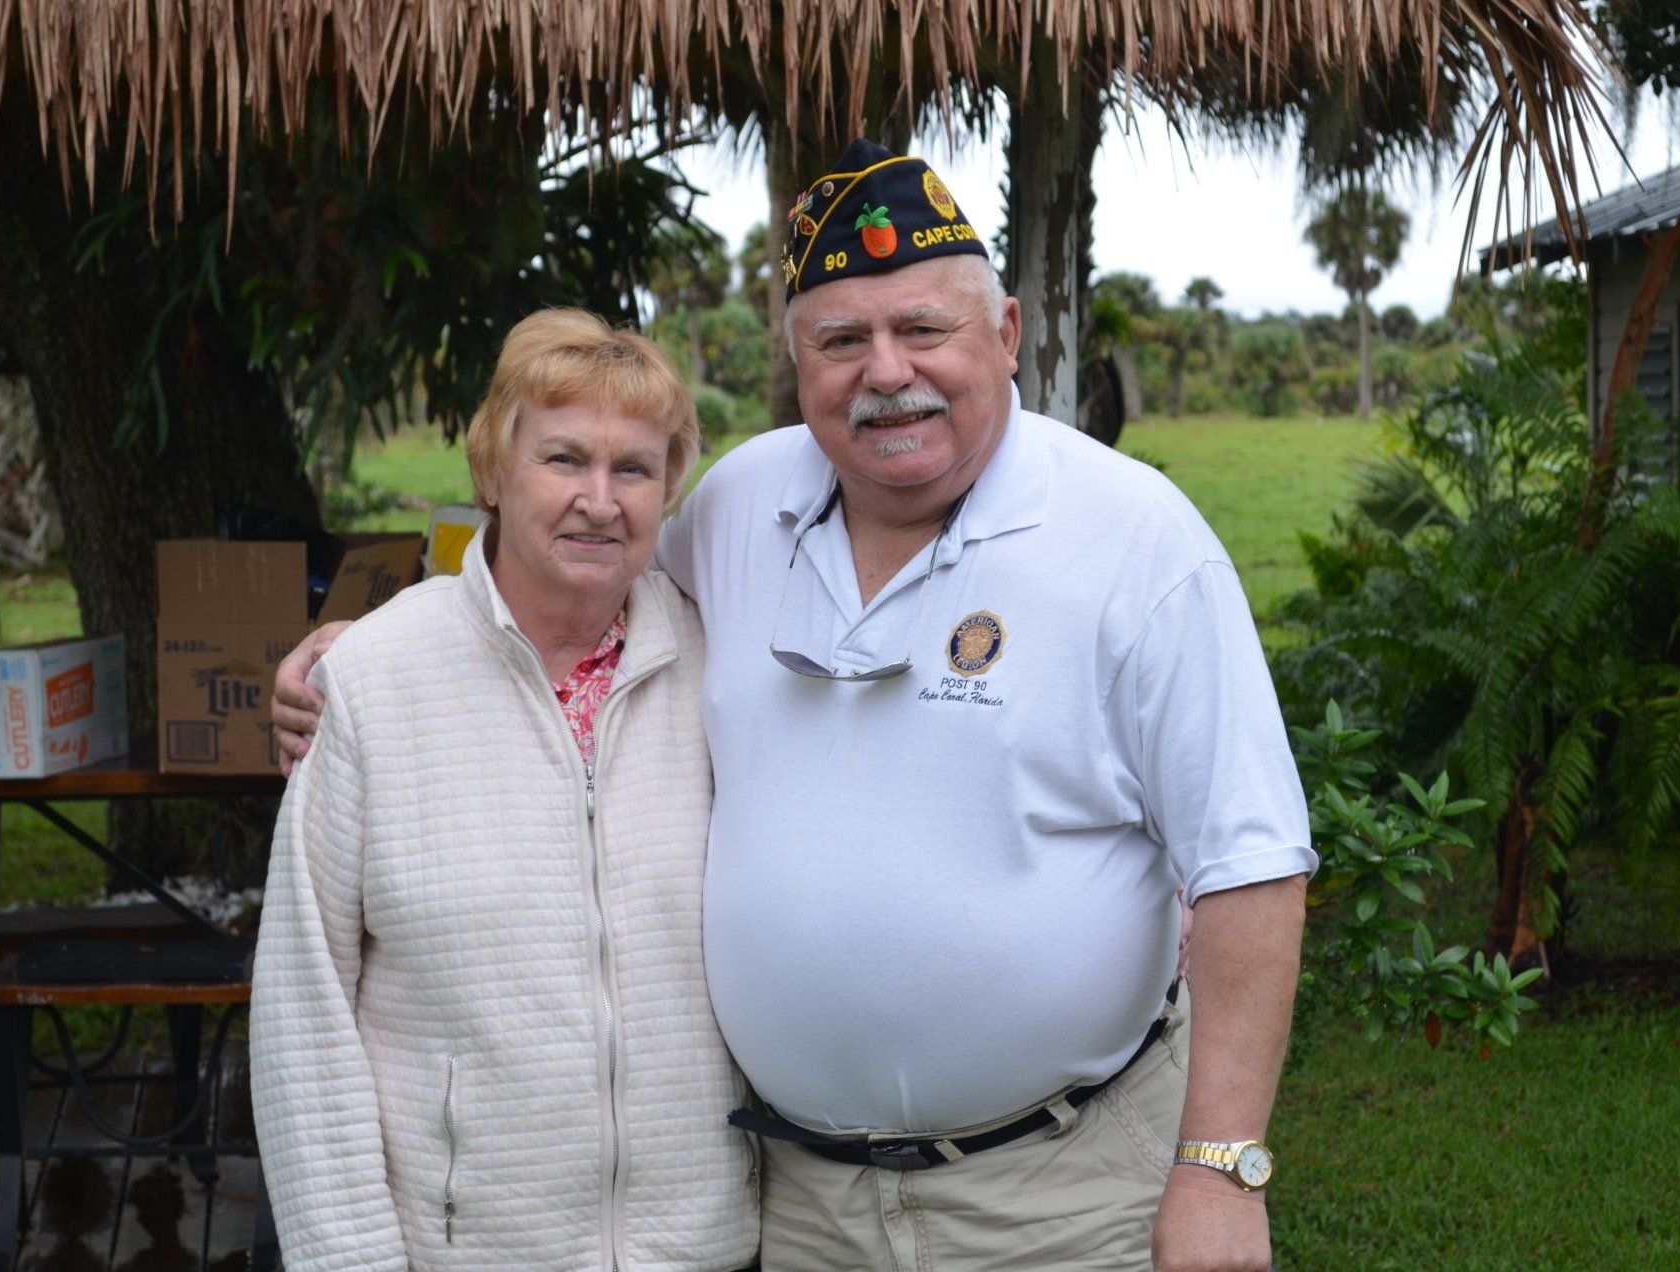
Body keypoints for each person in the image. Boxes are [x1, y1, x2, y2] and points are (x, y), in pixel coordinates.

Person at [277, 140, 1314, 1271]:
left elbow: (1251, 863)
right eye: (841, 340)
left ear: (1006, 333)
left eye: (923, 328)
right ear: (797, 358)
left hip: (1062, 1195)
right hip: (801, 1209)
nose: (887, 372)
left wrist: (1222, 1170)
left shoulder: (1134, 538)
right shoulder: (741, 503)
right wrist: (377, 650)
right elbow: (568, 572)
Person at [250, 309, 759, 1271]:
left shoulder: (725, 665)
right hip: (466, 1247)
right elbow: (302, 1013)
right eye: (563, 460)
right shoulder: (374, 680)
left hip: (703, 1245)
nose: (599, 501)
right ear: (493, 471)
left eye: (634, 469)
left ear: (669, 492)